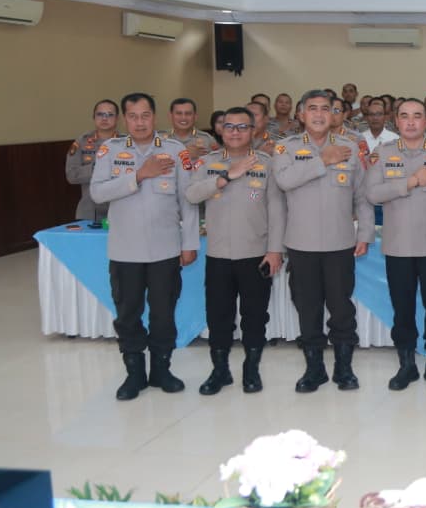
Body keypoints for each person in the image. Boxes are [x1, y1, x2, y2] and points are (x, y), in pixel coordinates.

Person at [89, 93, 199, 400]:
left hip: (165, 250)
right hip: (125, 251)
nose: (140, 122)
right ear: (125, 119)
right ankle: (134, 374)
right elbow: (97, 193)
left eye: (145, 115)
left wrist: (189, 243)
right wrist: (139, 175)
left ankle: (162, 370)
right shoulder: (110, 150)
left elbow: (188, 201)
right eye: (133, 116)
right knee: (128, 313)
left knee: (163, 313)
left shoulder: (175, 151)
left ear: (155, 117)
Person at [274, 90, 374, 393]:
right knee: (308, 308)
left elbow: (362, 197)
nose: (319, 114)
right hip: (301, 244)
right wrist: (322, 160)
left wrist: (365, 233)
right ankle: (314, 369)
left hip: (339, 243)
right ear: (301, 114)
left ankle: (344, 368)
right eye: (312, 108)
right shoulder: (285, 148)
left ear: (334, 115)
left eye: (325, 109)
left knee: (341, 308)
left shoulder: (350, 148)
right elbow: (284, 181)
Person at [365, 98, 426, 392]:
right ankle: (406, 365)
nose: (410, 122)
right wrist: (411, 182)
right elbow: (372, 194)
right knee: (402, 309)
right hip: (398, 247)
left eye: (417, 116)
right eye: (405, 116)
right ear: (396, 121)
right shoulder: (382, 153)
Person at [186, 107, 285, 395]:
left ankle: (251, 369)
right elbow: (191, 195)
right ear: (220, 130)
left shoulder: (267, 163)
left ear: (253, 131)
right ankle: (220, 371)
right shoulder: (207, 162)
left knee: (255, 316)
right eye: (229, 126)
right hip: (218, 255)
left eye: (242, 127)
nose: (235, 132)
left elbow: (277, 210)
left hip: (256, 254)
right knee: (218, 316)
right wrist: (226, 176)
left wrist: (275, 250)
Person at [66, 99, 119, 221]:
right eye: (100, 114)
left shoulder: (127, 143)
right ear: (93, 117)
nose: (104, 118)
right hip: (90, 210)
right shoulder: (81, 142)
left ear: (117, 119)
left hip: (120, 209)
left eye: (110, 114)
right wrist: (98, 167)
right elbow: (71, 175)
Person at [166, 97, 218, 162]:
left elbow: (217, 164)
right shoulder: (160, 139)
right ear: (170, 116)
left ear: (195, 117)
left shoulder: (207, 140)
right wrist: (184, 154)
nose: (183, 117)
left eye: (188, 113)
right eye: (179, 113)